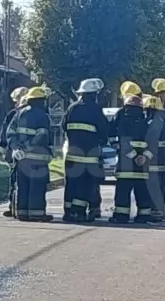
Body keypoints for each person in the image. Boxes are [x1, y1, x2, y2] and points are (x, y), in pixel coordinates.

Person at [62, 78, 109, 222]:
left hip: (71, 155)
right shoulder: (95, 110)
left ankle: (69, 212)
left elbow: (63, 126)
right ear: (94, 94)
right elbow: (104, 131)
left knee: (71, 184)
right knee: (86, 184)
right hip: (89, 157)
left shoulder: (72, 108)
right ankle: (80, 212)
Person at [6, 86, 54, 222]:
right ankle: (36, 214)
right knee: (37, 187)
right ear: (41, 101)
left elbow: (10, 133)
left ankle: (22, 213)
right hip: (38, 159)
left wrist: (16, 148)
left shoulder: (19, 113)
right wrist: (27, 147)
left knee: (23, 186)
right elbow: (42, 136)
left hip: (21, 159)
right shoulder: (43, 116)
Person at [109, 81, 152, 224]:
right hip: (142, 165)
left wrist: (132, 155)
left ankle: (121, 216)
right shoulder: (145, 118)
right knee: (142, 191)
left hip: (125, 163)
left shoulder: (121, 115)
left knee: (123, 191)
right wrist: (144, 157)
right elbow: (153, 144)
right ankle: (144, 215)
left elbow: (116, 138)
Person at [0, 86, 29, 218]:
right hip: (33, 154)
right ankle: (25, 207)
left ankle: (13, 206)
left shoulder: (13, 114)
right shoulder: (38, 113)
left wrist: (0, 150)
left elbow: (5, 133)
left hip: (14, 152)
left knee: (15, 180)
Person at [143, 95, 165, 222]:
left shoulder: (148, 124)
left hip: (150, 161)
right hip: (161, 162)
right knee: (160, 187)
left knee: (151, 188)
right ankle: (159, 211)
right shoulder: (163, 124)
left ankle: (154, 212)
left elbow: (150, 144)